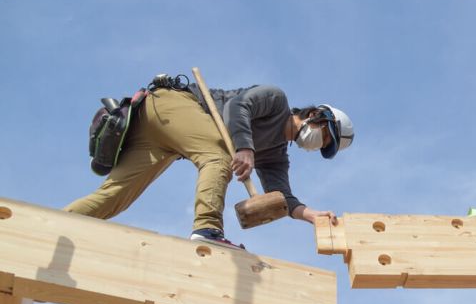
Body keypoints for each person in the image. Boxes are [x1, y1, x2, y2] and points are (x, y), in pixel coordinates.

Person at [65, 76, 354, 247]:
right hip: (170, 104)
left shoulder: (276, 155)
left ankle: (57, 226)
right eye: (324, 138)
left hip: (162, 138)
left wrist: (310, 215)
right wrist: (245, 149)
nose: (317, 145)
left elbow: (282, 198)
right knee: (219, 155)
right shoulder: (276, 101)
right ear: (315, 115)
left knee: (115, 197)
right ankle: (207, 230)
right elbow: (238, 106)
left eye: (323, 147)